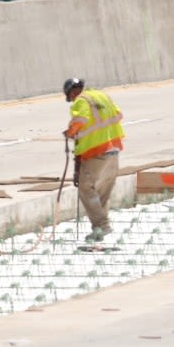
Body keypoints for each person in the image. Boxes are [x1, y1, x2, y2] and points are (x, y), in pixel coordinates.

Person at [62, 78, 125, 242]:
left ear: (73, 92)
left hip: (96, 152)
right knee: (102, 190)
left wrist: (70, 132)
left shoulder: (81, 100)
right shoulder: (102, 96)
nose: (73, 101)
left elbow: (80, 119)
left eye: (71, 97)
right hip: (113, 149)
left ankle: (102, 226)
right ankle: (99, 229)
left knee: (85, 188)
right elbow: (118, 114)